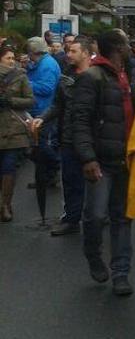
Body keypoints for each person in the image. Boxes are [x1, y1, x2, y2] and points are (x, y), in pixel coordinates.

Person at [70, 30, 135, 296]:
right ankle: (93, 254)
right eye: (126, 43)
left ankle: (121, 273)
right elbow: (81, 121)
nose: (131, 46)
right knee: (96, 216)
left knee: (122, 218)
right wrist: (87, 157)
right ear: (118, 48)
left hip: (125, 159)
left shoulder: (129, 75)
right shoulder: (91, 77)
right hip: (100, 161)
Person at [34, 36, 92, 236]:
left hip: (93, 138)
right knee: (70, 179)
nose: (68, 54)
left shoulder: (97, 76)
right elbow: (58, 104)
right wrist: (42, 118)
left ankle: (100, 216)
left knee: (96, 181)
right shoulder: (65, 76)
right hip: (69, 136)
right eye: (68, 51)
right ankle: (72, 219)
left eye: (74, 51)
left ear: (85, 53)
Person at [0, 46, 35, 222]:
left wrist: (10, 100)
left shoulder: (20, 76)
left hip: (14, 130)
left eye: (13, 58)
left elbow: (30, 100)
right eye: (8, 58)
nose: (12, 61)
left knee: (9, 167)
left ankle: (5, 204)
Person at [25, 37, 61, 190]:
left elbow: (46, 88)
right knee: (37, 147)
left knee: (39, 146)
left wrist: (24, 84)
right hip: (38, 109)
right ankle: (46, 177)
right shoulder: (41, 62)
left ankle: (56, 165)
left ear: (34, 52)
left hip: (44, 111)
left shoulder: (48, 65)